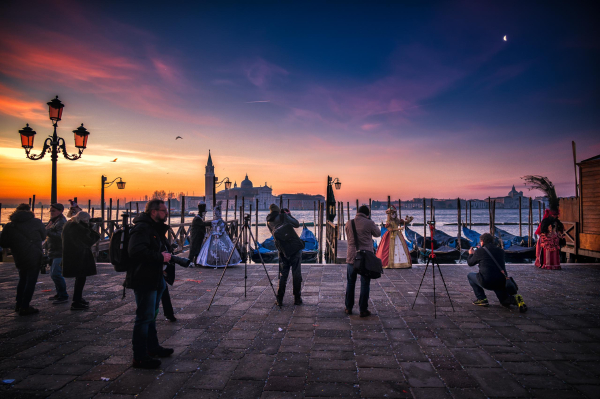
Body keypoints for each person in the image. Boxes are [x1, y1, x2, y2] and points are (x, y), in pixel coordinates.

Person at [126, 199, 174, 369]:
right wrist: (161, 257)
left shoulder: (153, 227)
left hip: (155, 277)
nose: (166, 213)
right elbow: (136, 251)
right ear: (153, 212)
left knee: (151, 315)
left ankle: (152, 347)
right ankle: (139, 356)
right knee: (144, 317)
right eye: (163, 211)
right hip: (144, 277)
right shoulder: (141, 228)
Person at [0, 204, 46, 316]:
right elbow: (43, 236)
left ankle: (18, 304)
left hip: (19, 255)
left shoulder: (10, 225)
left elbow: (3, 243)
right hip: (34, 255)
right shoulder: (36, 222)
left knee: (22, 279)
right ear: (29, 211)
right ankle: (25, 306)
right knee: (31, 281)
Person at [467, 233, 527, 312]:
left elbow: (470, 263)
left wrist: (471, 254)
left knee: (470, 275)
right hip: (501, 281)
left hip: (487, 281)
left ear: (482, 242)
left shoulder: (480, 251)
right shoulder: (500, 250)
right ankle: (515, 300)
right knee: (504, 301)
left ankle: (482, 299)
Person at [345, 205, 380, 317]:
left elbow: (348, 236)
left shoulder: (348, 223)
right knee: (365, 284)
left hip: (351, 256)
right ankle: (363, 309)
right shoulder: (369, 223)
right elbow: (378, 234)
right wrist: (370, 222)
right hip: (365, 258)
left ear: (357, 212)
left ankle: (348, 308)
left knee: (350, 282)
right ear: (367, 214)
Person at [61, 211, 101, 310]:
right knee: (81, 279)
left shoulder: (68, 225)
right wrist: (90, 227)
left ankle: (78, 298)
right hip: (80, 256)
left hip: (70, 255)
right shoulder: (79, 228)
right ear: (84, 220)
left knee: (79, 279)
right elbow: (92, 239)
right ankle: (76, 301)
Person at [267, 204, 303, 306]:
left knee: (283, 274)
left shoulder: (268, 222)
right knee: (296, 274)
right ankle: (297, 298)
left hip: (282, 250)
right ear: (279, 211)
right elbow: (296, 224)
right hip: (294, 248)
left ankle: (280, 299)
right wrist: (289, 215)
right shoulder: (284, 216)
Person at [196, 201, 241, 267]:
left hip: (219, 236)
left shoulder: (221, 222)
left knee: (222, 248)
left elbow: (222, 230)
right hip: (214, 237)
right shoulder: (215, 222)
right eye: (215, 214)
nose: (216, 215)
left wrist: (216, 233)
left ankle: (222, 260)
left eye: (216, 214)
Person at [45, 203, 69, 304]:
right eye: (51, 210)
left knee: (56, 274)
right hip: (53, 250)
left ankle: (63, 295)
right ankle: (59, 293)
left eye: (53, 211)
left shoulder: (61, 222)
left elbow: (60, 236)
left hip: (59, 251)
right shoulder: (53, 221)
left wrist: (47, 231)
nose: (51, 212)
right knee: (53, 274)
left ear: (60, 211)